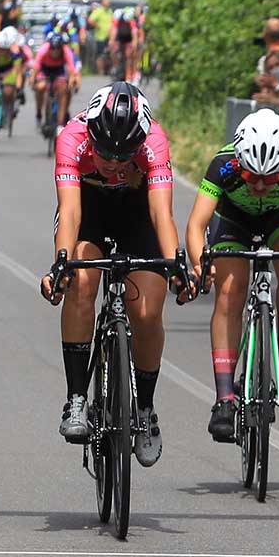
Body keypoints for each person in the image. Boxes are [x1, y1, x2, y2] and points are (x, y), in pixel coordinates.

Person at [39, 83, 184, 467]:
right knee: (81, 285)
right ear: (92, 136)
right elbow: (69, 212)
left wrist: (177, 264)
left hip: (138, 215)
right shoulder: (72, 137)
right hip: (90, 212)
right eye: (105, 153)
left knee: (148, 312)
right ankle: (75, 399)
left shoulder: (154, 140)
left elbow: (160, 215)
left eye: (125, 156)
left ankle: (145, 410)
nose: (115, 164)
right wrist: (61, 263)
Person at [185, 108, 279, 441]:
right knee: (230, 290)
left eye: (269, 178)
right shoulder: (222, 165)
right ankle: (225, 398)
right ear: (239, 162)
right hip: (233, 222)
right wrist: (201, 263)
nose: (258, 184)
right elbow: (197, 225)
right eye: (251, 175)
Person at [32, 31, 80, 127]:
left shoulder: (66, 51)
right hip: (45, 70)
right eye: (53, 49)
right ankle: (39, 112)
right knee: (40, 87)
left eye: (57, 49)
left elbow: (71, 69)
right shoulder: (43, 50)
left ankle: (60, 123)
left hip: (59, 70)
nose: (55, 51)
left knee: (63, 90)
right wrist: (33, 80)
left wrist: (70, 82)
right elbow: (36, 68)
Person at [87, 0, 113, 74]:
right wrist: (98, 26)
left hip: (110, 37)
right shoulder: (98, 11)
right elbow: (90, 20)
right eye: (106, 2)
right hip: (100, 37)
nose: (108, 3)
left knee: (110, 54)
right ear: (102, 3)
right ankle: (100, 71)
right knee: (100, 55)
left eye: (108, 2)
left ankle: (108, 70)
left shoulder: (110, 11)